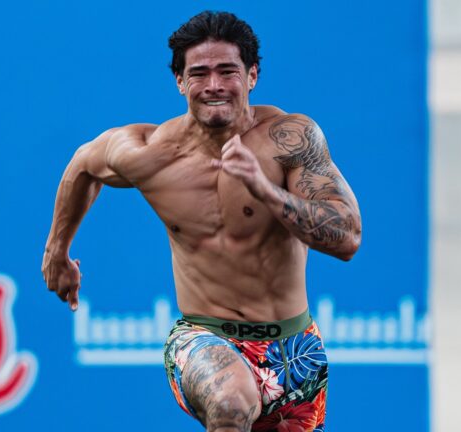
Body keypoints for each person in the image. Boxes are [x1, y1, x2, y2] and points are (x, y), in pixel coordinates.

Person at [42, 10, 361, 432]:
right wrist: (57, 251)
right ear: (180, 81)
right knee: (229, 403)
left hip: (294, 350)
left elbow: (347, 237)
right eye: (199, 73)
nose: (214, 85)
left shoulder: (290, 138)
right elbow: (83, 166)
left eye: (227, 71)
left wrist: (265, 190)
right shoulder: (150, 152)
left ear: (252, 75)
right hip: (202, 337)